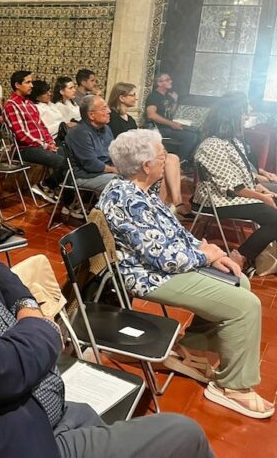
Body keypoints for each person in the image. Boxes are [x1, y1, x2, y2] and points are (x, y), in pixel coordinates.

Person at [0, 147, 213, 458]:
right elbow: (5, 371)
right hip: (10, 438)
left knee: (108, 422)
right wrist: (44, 326)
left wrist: (26, 306)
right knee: (184, 433)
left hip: (45, 404)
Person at [97, 129, 274, 419]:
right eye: (161, 154)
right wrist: (209, 255)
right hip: (149, 275)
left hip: (164, 266)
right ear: (145, 166)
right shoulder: (128, 199)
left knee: (239, 281)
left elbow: (175, 233)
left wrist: (208, 251)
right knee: (246, 305)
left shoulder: (141, 190)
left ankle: (192, 347)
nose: (166, 157)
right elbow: (164, 259)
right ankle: (232, 388)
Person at [194, 97, 277, 276]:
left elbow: (244, 175)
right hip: (218, 200)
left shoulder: (233, 141)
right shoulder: (212, 145)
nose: (247, 117)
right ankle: (239, 257)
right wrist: (263, 198)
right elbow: (232, 187)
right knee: (275, 218)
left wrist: (263, 190)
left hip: (235, 195)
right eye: (244, 113)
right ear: (231, 116)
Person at [108, 82, 187, 215]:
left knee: (172, 158)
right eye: (132, 95)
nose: (135, 98)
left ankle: (174, 203)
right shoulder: (112, 118)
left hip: (135, 154)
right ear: (121, 98)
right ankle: (162, 208)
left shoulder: (130, 120)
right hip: (124, 157)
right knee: (162, 163)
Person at [4, 70, 64, 203]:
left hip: (39, 145)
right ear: (17, 85)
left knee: (71, 157)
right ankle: (45, 186)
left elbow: (42, 127)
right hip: (24, 148)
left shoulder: (29, 104)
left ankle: (59, 191)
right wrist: (45, 145)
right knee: (62, 162)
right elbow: (22, 135)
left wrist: (50, 141)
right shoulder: (12, 105)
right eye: (28, 82)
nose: (31, 85)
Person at [65, 95, 118, 193]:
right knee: (121, 184)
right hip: (86, 175)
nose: (109, 111)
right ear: (91, 115)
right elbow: (90, 164)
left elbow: (114, 153)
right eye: (104, 109)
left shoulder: (106, 128)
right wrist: (114, 170)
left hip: (105, 171)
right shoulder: (80, 133)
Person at [145, 73, 197, 163]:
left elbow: (170, 114)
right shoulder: (153, 96)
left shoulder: (167, 96)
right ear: (159, 83)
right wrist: (172, 124)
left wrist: (175, 101)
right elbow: (151, 115)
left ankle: (186, 162)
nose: (171, 81)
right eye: (168, 79)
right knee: (191, 137)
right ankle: (178, 162)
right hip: (158, 129)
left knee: (195, 132)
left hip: (167, 127)